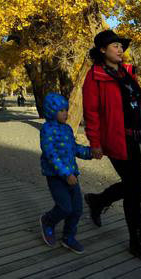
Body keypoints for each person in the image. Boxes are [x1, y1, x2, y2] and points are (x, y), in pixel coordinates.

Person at [82, 29, 141, 264]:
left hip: (133, 138)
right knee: (134, 188)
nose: (120, 49)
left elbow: (139, 105)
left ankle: (98, 201)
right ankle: (137, 241)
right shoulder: (95, 76)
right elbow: (91, 113)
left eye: (121, 46)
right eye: (115, 46)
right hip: (114, 139)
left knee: (133, 186)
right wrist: (95, 143)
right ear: (102, 50)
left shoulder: (127, 74)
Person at [39, 92, 93, 253]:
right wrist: (65, 174)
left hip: (72, 175)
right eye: (61, 110)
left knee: (77, 208)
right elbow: (51, 155)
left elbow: (74, 148)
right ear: (51, 111)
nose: (65, 113)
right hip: (56, 176)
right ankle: (47, 221)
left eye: (66, 110)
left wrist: (91, 153)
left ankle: (69, 237)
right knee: (64, 207)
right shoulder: (47, 130)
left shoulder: (68, 129)